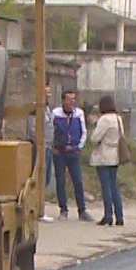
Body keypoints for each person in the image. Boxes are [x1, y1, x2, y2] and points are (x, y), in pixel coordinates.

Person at [48, 88, 89, 221]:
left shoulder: (79, 114)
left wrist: (79, 147)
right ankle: (63, 209)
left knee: (78, 180)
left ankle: (82, 210)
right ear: (63, 101)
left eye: (73, 99)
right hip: (60, 152)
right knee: (60, 180)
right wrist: (53, 146)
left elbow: (84, 131)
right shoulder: (55, 114)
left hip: (73, 152)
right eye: (69, 99)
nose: (72, 102)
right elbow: (50, 130)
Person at [89, 95, 126, 227]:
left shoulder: (104, 119)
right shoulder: (118, 118)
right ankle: (119, 216)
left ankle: (108, 215)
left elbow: (94, 138)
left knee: (106, 187)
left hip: (104, 154)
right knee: (114, 186)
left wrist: (94, 124)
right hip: (115, 154)